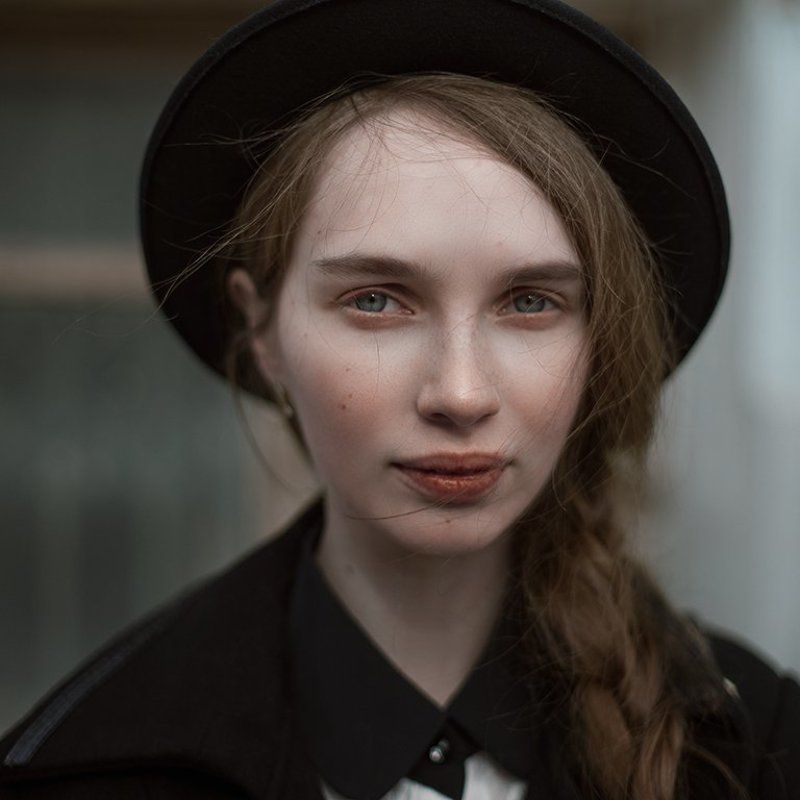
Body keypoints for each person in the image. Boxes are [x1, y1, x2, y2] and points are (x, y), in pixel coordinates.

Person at [1, 1, 798, 799]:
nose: (459, 393)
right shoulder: (88, 761)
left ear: (600, 339)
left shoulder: (755, 752)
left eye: (529, 302)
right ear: (261, 329)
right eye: (377, 301)